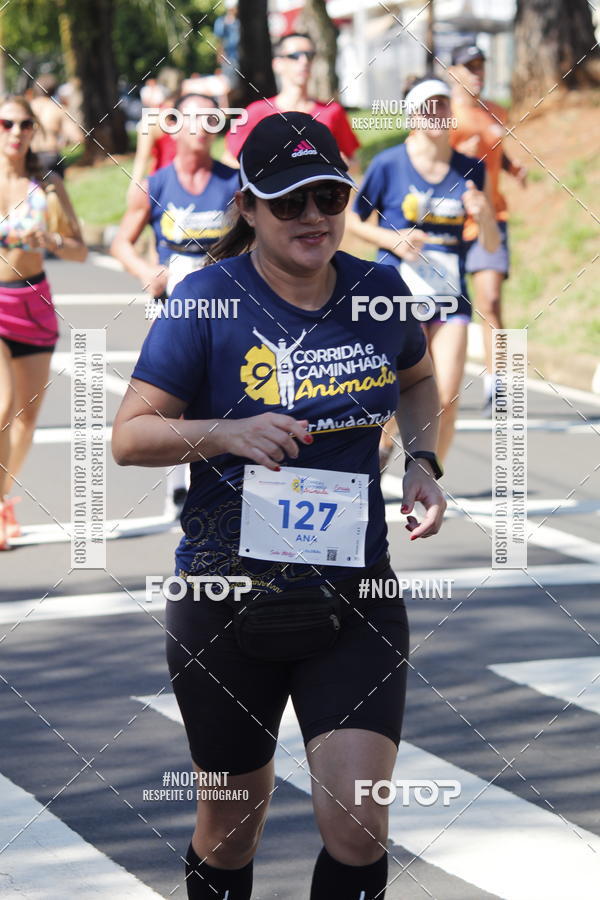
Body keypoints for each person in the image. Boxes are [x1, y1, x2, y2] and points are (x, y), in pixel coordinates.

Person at [112, 111, 446, 899]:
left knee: (358, 824)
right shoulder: (206, 300)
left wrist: (423, 461)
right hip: (225, 596)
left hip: (354, 592)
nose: (312, 216)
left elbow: (419, 379)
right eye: (288, 201)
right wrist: (228, 433)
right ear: (249, 208)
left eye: (329, 196)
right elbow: (129, 437)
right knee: (229, 833)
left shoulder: (378, 290)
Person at [347, 77, 499, 467]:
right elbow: (351, 220)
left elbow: (490, 244)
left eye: (442, 105)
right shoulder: (389, 164)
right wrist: (393, 239)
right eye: (426, 107)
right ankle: (379, 454)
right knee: (392, 391)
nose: (435, 114)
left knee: (445, 398)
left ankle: (428, 475)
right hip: (396, 297)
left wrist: (484, 216)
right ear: (412, 116)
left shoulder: (470, 169)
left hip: (449, 296)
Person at [111, 92, 238, 519]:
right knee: (175, 394)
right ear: (174, 125)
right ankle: (179, 484)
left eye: (210, 118)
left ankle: (228, 476)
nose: (201, 126)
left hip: (225, 305)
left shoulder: (234, 183)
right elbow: (121, 242)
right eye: (192, 117)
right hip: (171, 307)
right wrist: (146, 271)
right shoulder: (156, 185)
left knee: (225, 391)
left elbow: (258, 240)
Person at [0, 95, 87, 549]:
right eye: (6, 124)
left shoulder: (48, 185)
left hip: (34, 302)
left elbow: (79, 251)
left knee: (27, 419)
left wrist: (49, 238)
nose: (15, 132)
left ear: (34, 130)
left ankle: (3, 498)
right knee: (2, 406)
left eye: (24, 125)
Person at [449, 43, 527, 412]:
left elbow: (495, 149)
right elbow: (422, 159)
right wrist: (456, 155)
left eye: (481, 65)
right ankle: (429, 384)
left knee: (491, 301)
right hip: (447, 224)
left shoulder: (496, 110)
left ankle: (498, 386)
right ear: (452, 71)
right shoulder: (442, 115)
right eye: (469, 66)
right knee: (440, 311)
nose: (477, 72)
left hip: (490, 219)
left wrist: (512, 168)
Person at [221, 32, 359, 167]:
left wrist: (338, 165)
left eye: (309, 55)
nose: (304, 61)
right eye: (295, 56)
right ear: (277, 64)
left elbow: (354, 164)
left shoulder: (332, 111)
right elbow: (228, 159)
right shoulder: (256, 112)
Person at [30, 74, 84, 178]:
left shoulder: (26, 108)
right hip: (51, 156)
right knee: (55, 187)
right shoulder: (58, 109)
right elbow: (78, 137)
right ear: (55, 90)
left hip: (30, 158)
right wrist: (63, 142)